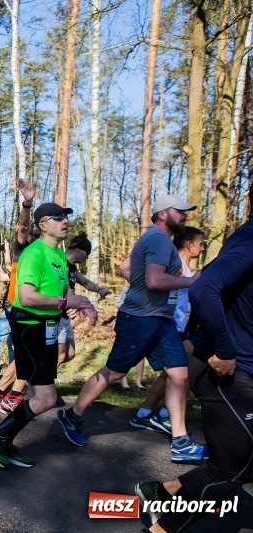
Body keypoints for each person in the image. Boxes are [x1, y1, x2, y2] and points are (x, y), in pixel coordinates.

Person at [133, 197, 253, 533]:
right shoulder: (249, 240)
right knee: (231, 473)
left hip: (233, 366)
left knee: (232, 465)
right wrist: (226, 348)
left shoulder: (243, 237)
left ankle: (162, 492)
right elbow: (203, 290)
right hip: (228, 370)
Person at [58, 195, 206, 464]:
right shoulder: (159, 239)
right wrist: (191, 281)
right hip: (142, 319)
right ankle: (72, 414)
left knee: (179, 374)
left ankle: (180, 441)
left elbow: (126, 268)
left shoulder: (152, 238)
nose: (184, 216)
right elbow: (154, 279)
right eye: (179, 211)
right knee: (114, 372)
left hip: (161, 318)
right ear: (162, 214)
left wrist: (140, 288)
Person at [0, 202, 97, 469]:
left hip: (48, 329)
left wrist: (82, 302)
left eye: (66, 216)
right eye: (57, 217)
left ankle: (6, 439)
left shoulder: (58, 255)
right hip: (30, 328)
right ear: (43, 224)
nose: (64, 220)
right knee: (46, 398)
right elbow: (26, 296)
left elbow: (65, 292)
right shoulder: (34, 254)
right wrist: (64, 304)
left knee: (36, 395)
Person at [128, 226, 206, 433]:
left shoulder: (188, 269)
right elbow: (147, 280)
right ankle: (164, 416)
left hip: (180, 327)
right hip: (168, 325)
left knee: (173, 375)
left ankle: (145, 413)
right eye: (200, 243)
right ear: (189, 244)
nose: (203, 248)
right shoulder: (177, 266)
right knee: (186, 372)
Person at [0, 178, 38, 412]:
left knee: (26, 354)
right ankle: (11, 394)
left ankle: (3, 393)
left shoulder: (49, 254)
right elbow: (23, 228)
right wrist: (27, 204)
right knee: (28, 353)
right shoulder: (22, 250)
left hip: (37, 309)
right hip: (18, 307)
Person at [57, 233, 110, 368]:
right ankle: (40, 384)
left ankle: (39, 381)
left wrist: (99, 289)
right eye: (87, 253)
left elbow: (85, 282)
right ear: (79, 250)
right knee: (60, 355)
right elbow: (65, 288)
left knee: (70, 353)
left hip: (66, 316)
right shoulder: (61, 263)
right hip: (58, 315)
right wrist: (77, 304)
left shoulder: (72, 268)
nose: (87, 257)